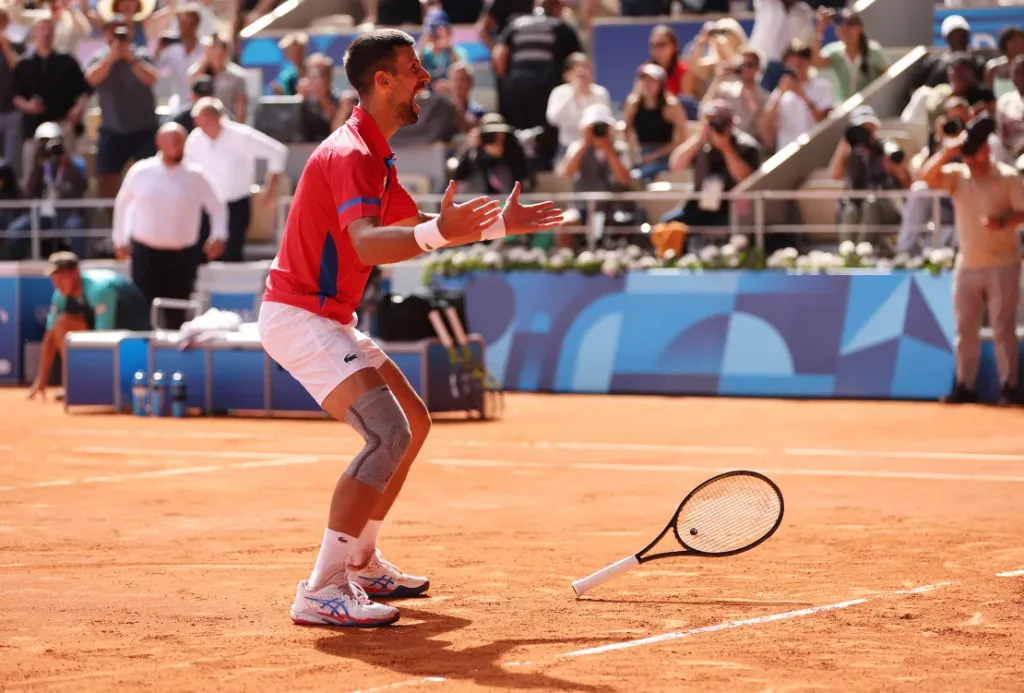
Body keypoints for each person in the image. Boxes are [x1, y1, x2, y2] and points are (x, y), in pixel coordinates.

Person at [258, 29, 562, 627]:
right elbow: (370, 245)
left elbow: (418, 224)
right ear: (383, 81)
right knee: (388, 434)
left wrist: (498, 225)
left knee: (413, 422)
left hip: (326, 316)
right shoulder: (350, 154)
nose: (425, 77)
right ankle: (321, 587)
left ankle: (363, 561)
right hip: (299, 315)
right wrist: (442, 231)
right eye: (414, 68)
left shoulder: (375, 153)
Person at [918, 116, 1024, 406]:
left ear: (987, 151)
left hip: (1003, 262)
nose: (977, 156)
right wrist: (947, 151)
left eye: (978, 151)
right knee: (965, 329)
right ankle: (965, 385)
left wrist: (1003, 222)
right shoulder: (958, 176)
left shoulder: (1007, 177)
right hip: (968, 265)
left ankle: (1009, 387)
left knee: (1003, 328)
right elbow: (925, 177)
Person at [113, 123, 226, 329]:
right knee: (143, 309)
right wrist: (119, 239)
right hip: (145, 254)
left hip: (182, 257)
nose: (175, 146)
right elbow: (123, 204)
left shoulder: (196, 175)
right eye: (170, 141)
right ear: (159, 143)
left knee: (177, 311)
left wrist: (219, 235)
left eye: (179, 141)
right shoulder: (141, 171)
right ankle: (144, 358)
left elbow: (216, 205)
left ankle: (174, 359)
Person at [27, 251, 150, 402]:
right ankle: (74, 381)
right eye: (54, 278)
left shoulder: (100, 290)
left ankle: (93, 384)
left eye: (62, 277)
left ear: (75, 272)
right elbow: (50, 335)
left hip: (135, 336)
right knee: (61, 323)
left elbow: (103, 338)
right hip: (108, 333)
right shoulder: (60, 295)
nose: (57, 283)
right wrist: (41, 379)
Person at [185, 97, 287, 263]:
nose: (201, 127)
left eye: (205, 122)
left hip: (236, 205)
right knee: (201, 257)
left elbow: (277, 152)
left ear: (216, 117)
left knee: (232, 255)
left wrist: (270, 188)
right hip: (206, 208)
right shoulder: (195, 139)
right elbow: (189, 169)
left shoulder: (241, 135)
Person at [492, 0, 582, 171]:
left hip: (515, 89)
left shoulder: (515, 25)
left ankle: (518, 172)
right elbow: (576, 63)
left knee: (516, 135)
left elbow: (499, 57)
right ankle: (542, 170)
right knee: (544, 138)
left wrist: (509, 82)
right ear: (557, 8)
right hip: (546, 89)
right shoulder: (562, 28)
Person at [660, 100, 761, 251]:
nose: (717, 125)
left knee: (733, 230)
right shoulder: (700, 144)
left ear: (732, 123)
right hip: (699, 207)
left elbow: (745, 178)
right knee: (667, 224)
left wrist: (726, 148)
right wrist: (700, 137)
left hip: (730, 208)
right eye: (712, 121)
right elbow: (675, 166)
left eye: (722, 121)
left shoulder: (746, 146)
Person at [85, 15, 160, 199]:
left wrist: (130, 59)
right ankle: (114, 223)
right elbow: (91, 79)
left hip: (144, 129)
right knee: (106, 178)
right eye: (113, 32)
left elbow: (152, 78)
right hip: (113, 130)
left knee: (151, 177)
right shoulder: (99, 58)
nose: (118, 37)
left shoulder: (141, 55)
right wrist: (111, 58)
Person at [6, 121, 89, 260]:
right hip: (40, 215)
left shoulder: (75, 162)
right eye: (43, 142)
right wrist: (36, 162)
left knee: (76, 229)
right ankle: (15, 265)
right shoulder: (35, 164)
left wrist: (64, 158)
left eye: (52, 141)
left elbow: (82, 186)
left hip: (65, 213)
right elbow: (28, 192)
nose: (48, 145)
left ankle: (78, 266)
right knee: (15, 231)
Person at [827, 105, 909, 244]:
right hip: (856, 204)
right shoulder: (849, 153)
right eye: (861, 129)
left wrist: (891, 165)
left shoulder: (886, 148)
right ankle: (848, 252)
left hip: (886, 207)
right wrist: (846, 142)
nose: (866, 132)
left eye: (869, 127)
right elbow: (835, 174)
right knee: (850, 210)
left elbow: (906, 182)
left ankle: (863, 249)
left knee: (870, 203)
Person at [757, 39, 833, 153]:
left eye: (800, 64)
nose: (796, 69)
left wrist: (802, 95)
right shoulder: (779, 92)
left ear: (809, 63)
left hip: (816, 150)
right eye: (792, 65)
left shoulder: (823, 87)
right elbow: (765, 124)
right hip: (786, 152)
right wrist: (780, 94)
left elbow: (823, 119)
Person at [623, 63, 688, 181]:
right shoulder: (633, 104)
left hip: (666, 156)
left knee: (642, 175)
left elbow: (681, 140)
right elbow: (626, 132)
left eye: (652, 81)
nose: (647, 85)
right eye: (644, 80)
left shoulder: (671, 105)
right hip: (642, 155)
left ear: (661, 84)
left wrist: (655, 155)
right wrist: (633, 154)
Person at [811, 8, 889, 104]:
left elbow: (887, 80)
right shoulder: (835, 52)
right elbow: (816, 62)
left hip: (869, 106)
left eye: (850, 24)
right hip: (844, 105)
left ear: (860, 28)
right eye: (840, 24)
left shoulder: (874, 51)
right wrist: (820, 28)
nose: (845, 28)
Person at [546, 52, 611, 162]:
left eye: (585, 67)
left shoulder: (600, 93)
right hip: (566, 149)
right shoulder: (559, 92)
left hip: (595, 149)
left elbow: (604, 123)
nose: (582, 72)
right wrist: (575, 93)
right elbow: (553, 119)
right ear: (566, 75)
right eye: (576, 69)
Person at [985, 26, 1024, 100]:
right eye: (1014, 41)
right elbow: (988, 97)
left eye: (1022, 41)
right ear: (1004, 43)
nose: (1020, 45)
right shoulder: (993, 67)